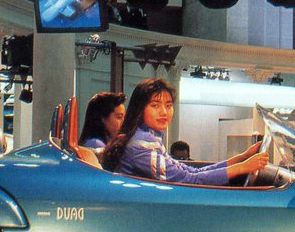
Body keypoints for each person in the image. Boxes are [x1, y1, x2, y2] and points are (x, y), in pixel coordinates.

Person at [103, 78, 268, 185]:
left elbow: (191, 171)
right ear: (140, 109)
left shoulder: (149, 137)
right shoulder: (142, 144)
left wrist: (242, 158)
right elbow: (189, 180)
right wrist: (242, 168)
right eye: (155, 105)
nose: (164, 112)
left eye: (168, 105)